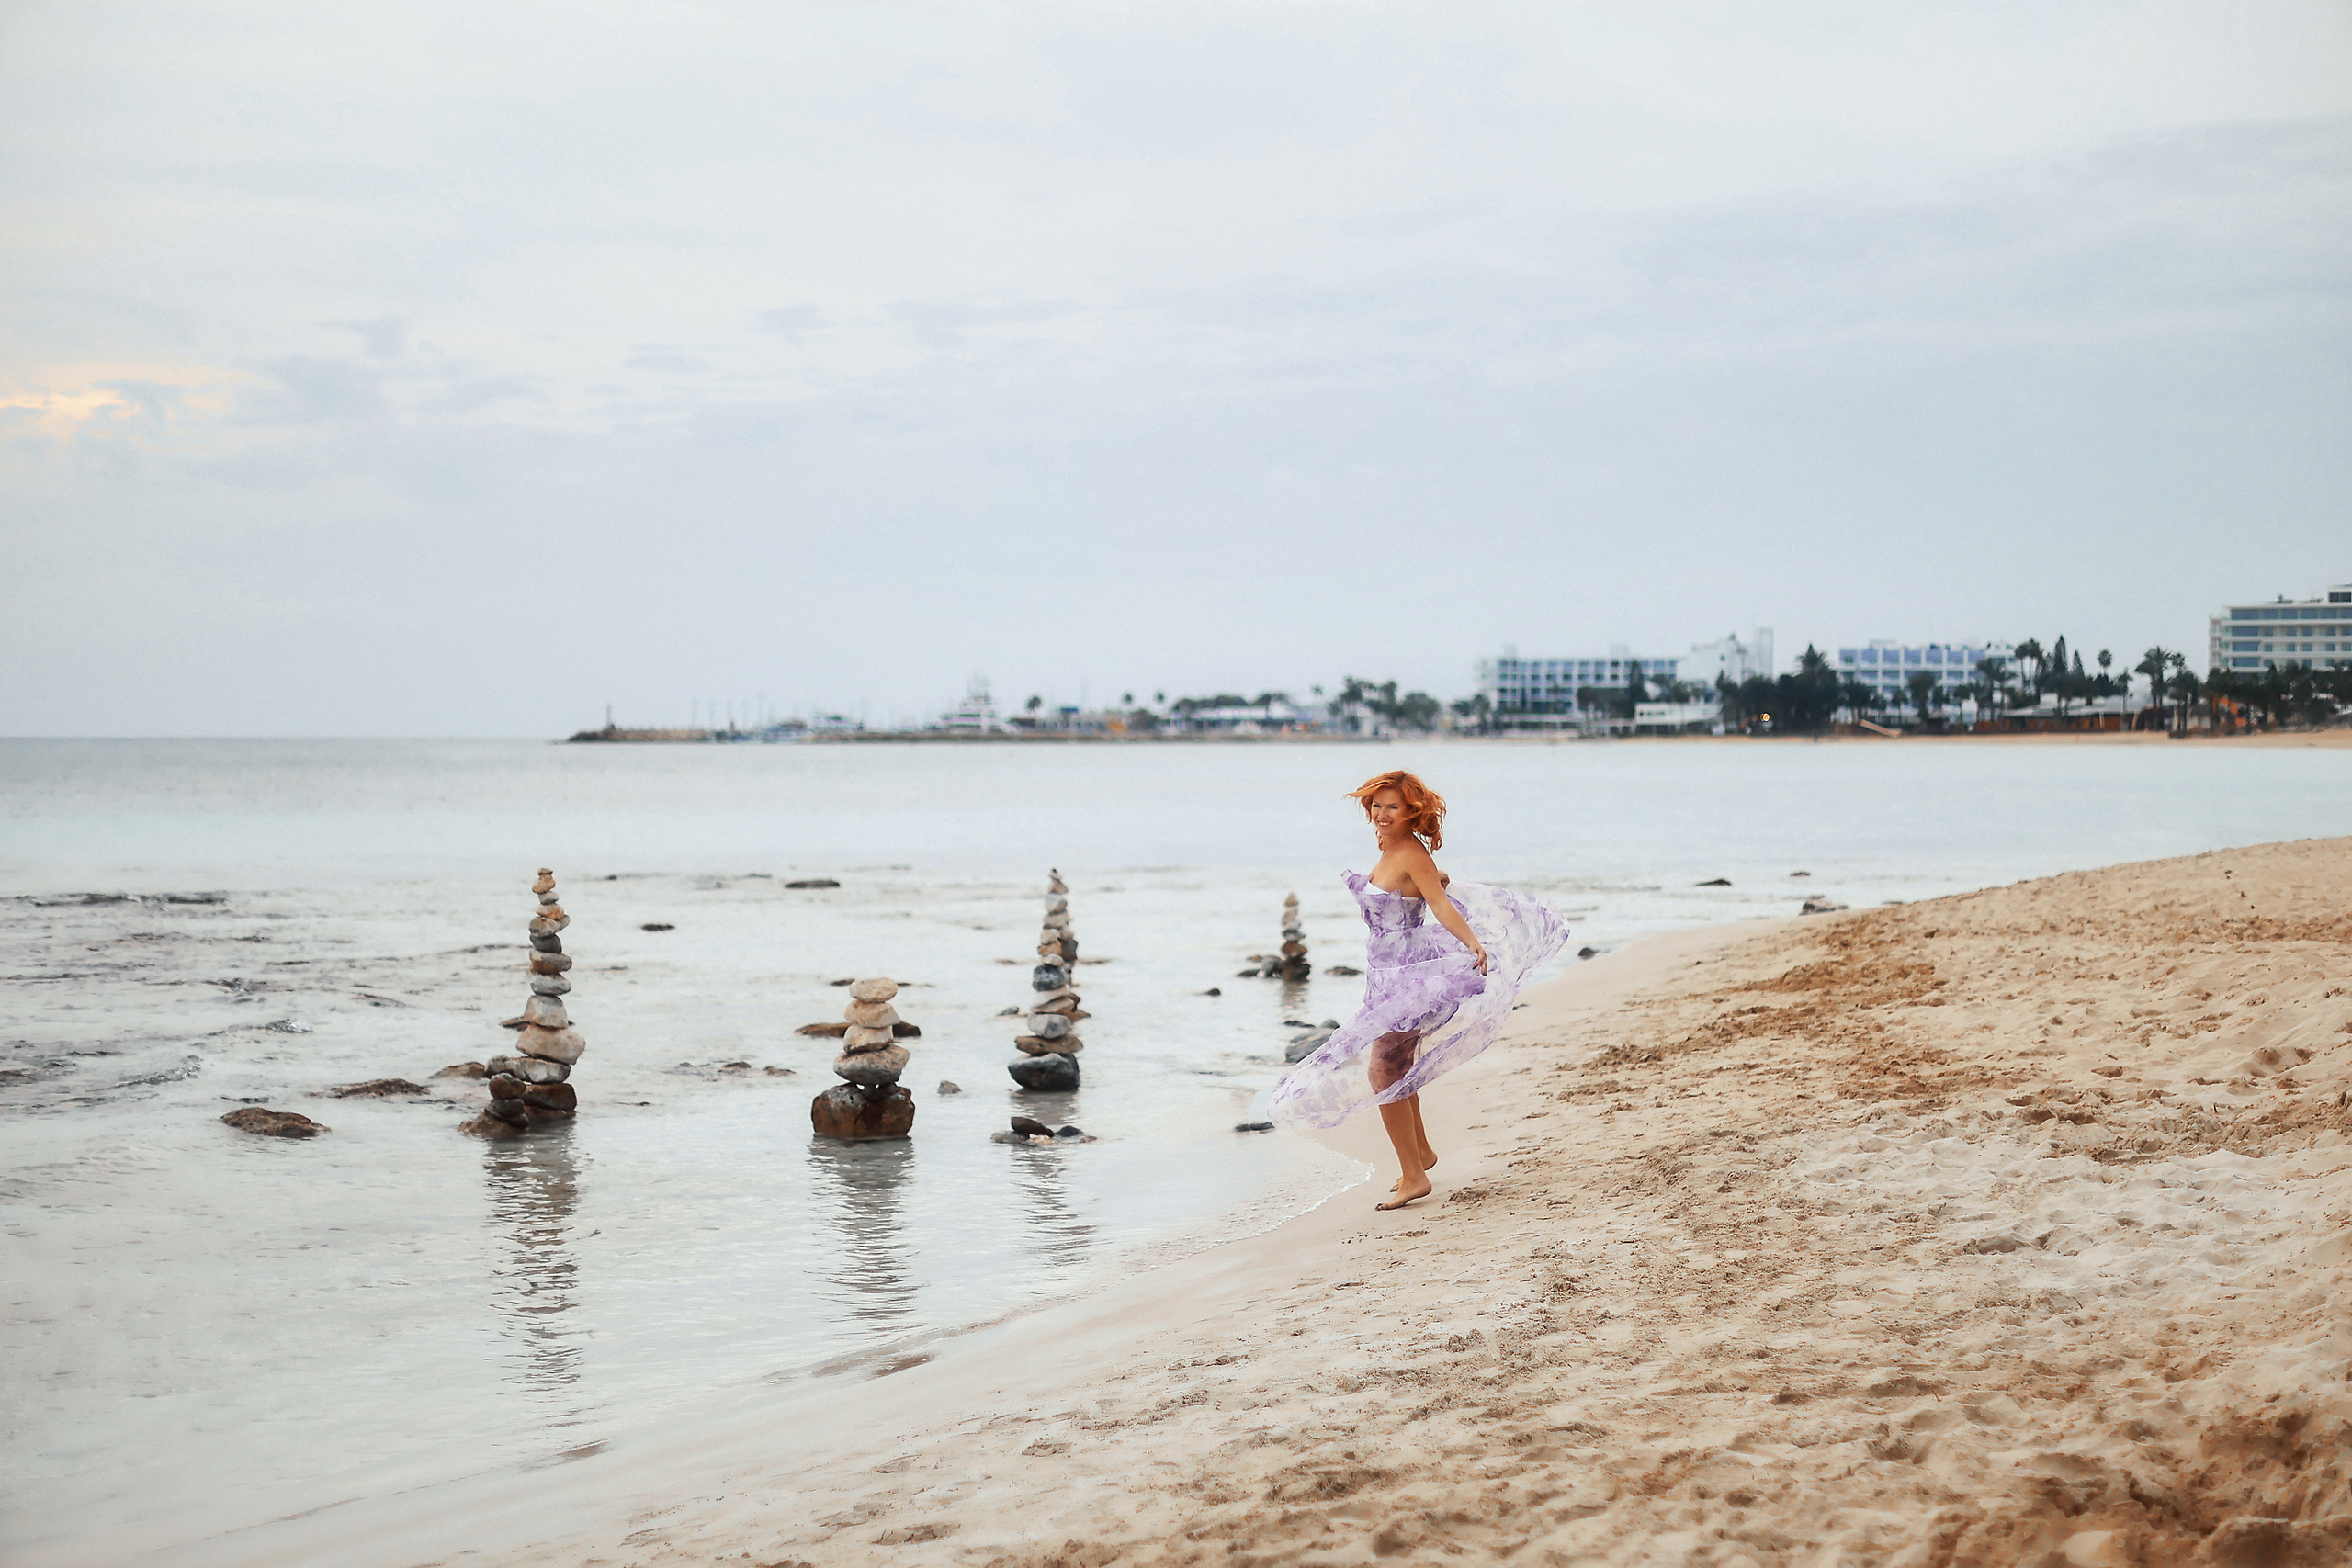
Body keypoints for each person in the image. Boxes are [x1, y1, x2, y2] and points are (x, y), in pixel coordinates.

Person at [1259, 770, 1570, 1210]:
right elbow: (1421, 886)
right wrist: (1433, 877)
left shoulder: (1408, 851)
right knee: (1398, 1063)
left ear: (1411, 813)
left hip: (1408, 974)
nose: (1381, 814)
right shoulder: (1394, 848)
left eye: (1393, 807)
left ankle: (1413, 1175)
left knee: (1382, 1072)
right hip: (1384, 973)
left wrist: (1471, 942)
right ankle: (1419, 1154)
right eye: (1377, 805)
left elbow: (1438, 903)